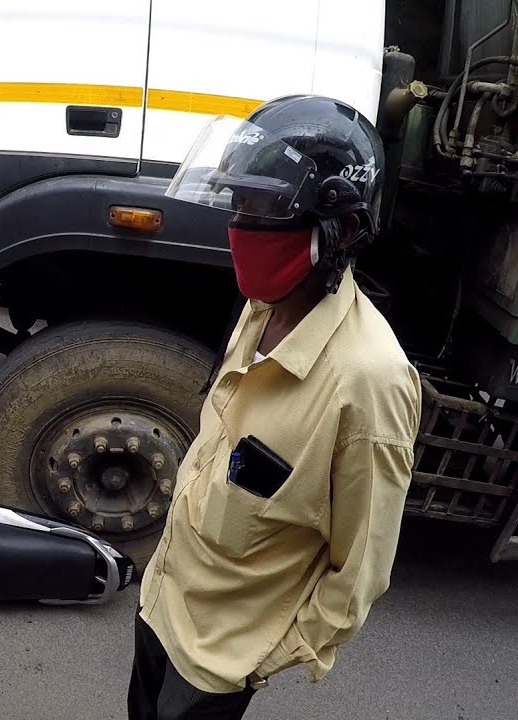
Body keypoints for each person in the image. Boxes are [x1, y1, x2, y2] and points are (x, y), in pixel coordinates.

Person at [129, 95, 422, 720]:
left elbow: (360, 572)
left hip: (217, 665)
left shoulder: (368, 382)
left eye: (263, 209)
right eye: (238, 202)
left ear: (339, 231)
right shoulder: (262, 306)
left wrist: (263, 658)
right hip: (159, 602)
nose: (241, 223)